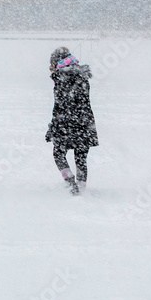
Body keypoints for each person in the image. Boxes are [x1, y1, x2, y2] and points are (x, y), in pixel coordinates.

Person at [45, 47, 98, 195]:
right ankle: (81, 189)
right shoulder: (82, 75)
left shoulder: (61, 77)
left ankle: (70, 185)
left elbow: (60, 106)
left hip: (66, 123)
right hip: (85, 122)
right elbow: (81, 102)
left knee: (58, 154)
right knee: (81, 157)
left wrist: (53, 127)